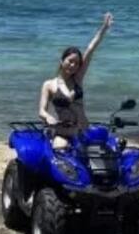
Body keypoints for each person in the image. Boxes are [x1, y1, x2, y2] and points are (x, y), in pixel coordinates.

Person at [39, 12, 114, 149]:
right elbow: (41, 111)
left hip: (82, 130)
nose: (73, 65)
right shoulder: (49, 85)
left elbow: (90, 49)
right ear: (62, 61)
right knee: (59, 148)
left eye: (77, 63)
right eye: (70, 61)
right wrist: (48, 117)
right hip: (63, 132)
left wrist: (104, 28)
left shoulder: (77, 80)